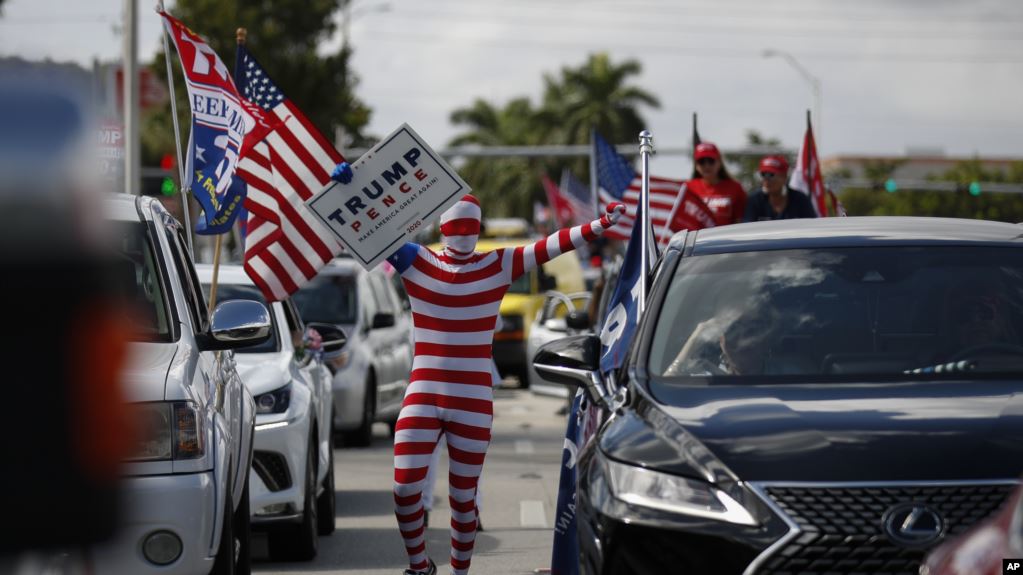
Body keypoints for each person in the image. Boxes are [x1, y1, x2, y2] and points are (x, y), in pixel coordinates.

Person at [333, 161, 624, 575]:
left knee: (464, 498)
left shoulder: (497, 265)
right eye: (458, 228)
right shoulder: (418, 261)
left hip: (471, 398)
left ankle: (459, 572)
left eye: (472, 229)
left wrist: (594, 226)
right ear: (443, 230)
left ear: (479, 230)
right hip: (424, 392)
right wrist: (348, 186)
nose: (465, 235)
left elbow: (550, 246)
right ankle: (420, 566)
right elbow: (368, 227)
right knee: (403, 490)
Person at [743, 155, 817, 222]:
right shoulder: (754, 200)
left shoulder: (800, 200)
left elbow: (811, 227)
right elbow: (748, 229)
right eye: (763, 174)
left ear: (784, 177)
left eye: (770, 175)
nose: (766, 179)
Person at [687, 142, 747, 226]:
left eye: (711, 161)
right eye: (701, 161)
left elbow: (740, 222)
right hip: (698, 238)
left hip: (726, 238)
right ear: (696, 165)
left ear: (719, 162)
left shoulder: (735, 188)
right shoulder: (688, 188)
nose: (706, 166)